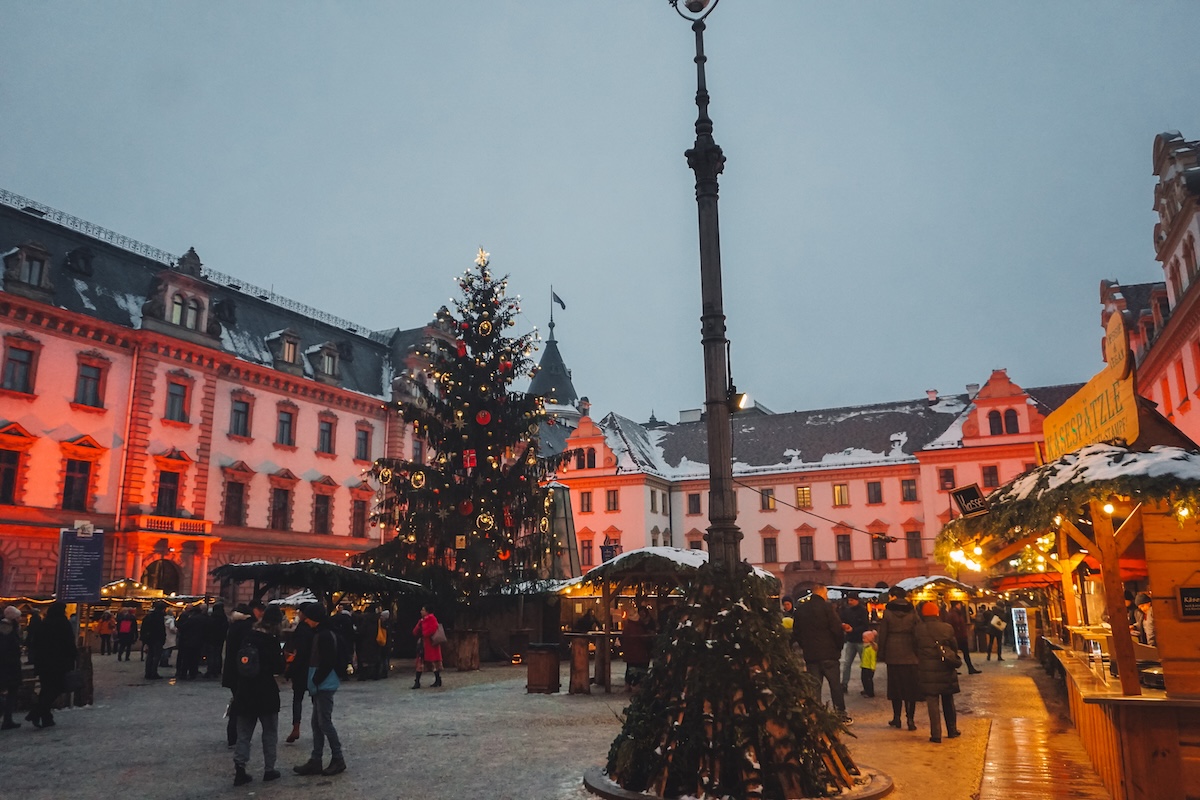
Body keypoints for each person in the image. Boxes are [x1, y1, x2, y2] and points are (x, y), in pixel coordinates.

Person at [231, 605, 286, 786]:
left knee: (244, 733)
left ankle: (240, 769)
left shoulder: (248, 637)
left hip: (245, 690)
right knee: (269, 732)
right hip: (266, 691)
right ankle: (269, 769)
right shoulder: (271, 641)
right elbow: (278, 667)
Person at [293, 603, 346, 777]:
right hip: (321, 682)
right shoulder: (323, 633)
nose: (305, 620)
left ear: (314, 618)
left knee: (324, 722)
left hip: (323, 683)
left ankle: (337, 758)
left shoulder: (324, 635)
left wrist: (316, 679)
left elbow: (327, 661)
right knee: (317, 723)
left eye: (308, 617)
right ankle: (316, 760)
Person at [791, 585, 850, 724]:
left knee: (815, 686)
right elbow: (836, 629)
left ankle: (815, 715)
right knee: (835, 686)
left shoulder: (801, 609)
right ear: (822, 593)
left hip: (811, 655)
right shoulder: (827, 608)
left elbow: (797, 632)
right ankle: (840, 714)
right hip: (829, 654)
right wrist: (838, 647)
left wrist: (805, 645)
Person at [914, 601, 961, 743]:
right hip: (945, 667)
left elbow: (914, 647)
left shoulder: (918, 629)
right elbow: (954, 646)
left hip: (927, 670)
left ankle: (936, 734)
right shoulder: (947, 628)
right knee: (948, 700)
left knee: (932, 702)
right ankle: (952, 730)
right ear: (937, 613)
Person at [876, 585, 921, 731]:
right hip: (910, 653)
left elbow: (883, 634)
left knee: (895, 688)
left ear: (894, 596)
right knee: (910, 689)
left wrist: (881, 652)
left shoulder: (888, 613)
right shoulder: (913, 611)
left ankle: (897, 718)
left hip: (893, 653)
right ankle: (911, 719)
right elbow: (918, 631)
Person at [29, 601, 76, 728]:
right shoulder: (63, 623)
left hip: (43, 662)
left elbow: (35, 642)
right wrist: (74, 656)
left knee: (46, 689)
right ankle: (37, 712)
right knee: (57, 687)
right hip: (58, 662)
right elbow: (69, 642)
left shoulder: (44, 623)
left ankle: (46, 718)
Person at [223, 603, 257, 747]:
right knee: (242, 704)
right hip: (243, 671)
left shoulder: (233, 626)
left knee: (237, 701)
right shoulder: (248, 628)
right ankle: (237, 736)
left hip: (231, 671)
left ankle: (232, 735)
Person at [284, 608, 316, 744]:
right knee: (316, 700)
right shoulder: (315, 629)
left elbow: (296, 652)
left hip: (300, 669)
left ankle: (296, 728)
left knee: (297, 699)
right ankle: (319, 727)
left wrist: (290, 670)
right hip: (314, 667)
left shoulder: (301, 630)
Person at [838, 592, 870, 695]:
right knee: (847, 663)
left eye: (852, 600)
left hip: (861, 640)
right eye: (849, 600)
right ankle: (844, 684)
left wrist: (853, 629)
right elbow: (842, 620)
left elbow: (865, 626)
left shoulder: (863, 611)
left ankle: (867, 685)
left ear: (857, 600)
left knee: (864, 664)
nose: (850, 602)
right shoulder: (847, 610)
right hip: (851, 640)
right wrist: (844, 625)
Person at [0, 606, 23, 729]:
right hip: (9, 666)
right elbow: (9, 649)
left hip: (6, 666)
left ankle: (8, 719)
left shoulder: (6, 628)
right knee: (11, 692)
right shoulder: (9, 630)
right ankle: (7, 719)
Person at [620, 605, 653, 690]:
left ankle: (628, 683)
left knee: (630, 667)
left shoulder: (628, 626)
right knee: (639, 667)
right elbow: (642, 638)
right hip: (638, 651)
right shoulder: (637, 626)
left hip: (630, 651)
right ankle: (636, 683)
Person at [412, 605, 443, 689]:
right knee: (420, 663)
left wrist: (424, 631)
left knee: (433, 663)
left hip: (430, 644)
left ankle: (437, 679)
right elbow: (415, 631)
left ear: (427, 611)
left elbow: (432, 629)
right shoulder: (422, 621)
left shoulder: (432, 619)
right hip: (423, 644)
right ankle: (417, 681)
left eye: (423, 610)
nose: (421, 611)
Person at [946, 600, 981, 674]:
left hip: (959, 636)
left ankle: (969, 668)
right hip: (959, 637)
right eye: (959, 604)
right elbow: (956, 624)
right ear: (956, 605)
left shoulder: (955, 613)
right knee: (957, 654)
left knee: (963, 653)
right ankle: (963, 669)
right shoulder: (954, 614)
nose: (960, 606)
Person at [140, 600, 168, 679]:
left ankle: (148, 672)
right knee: (156, 656)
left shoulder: (148, 616)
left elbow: (144, 628)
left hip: (149, 639)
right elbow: (160, 630)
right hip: (157, 639)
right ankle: (153, 673)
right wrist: (163, 638)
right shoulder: (159, 617)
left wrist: (144, 639)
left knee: (150, 656)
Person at [205, 601, 228, 679]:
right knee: (218, 654)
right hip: (220, 639)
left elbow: (208, 628)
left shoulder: (212, 617)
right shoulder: (224, 617)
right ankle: (217, 670)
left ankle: (210, 670)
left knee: (211, 655)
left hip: (211, 639)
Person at [859, 629, 877, 698]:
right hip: (865, 666)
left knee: (868, 680)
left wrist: (873, 667)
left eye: (864, 638)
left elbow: (873, 659)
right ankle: (866, 690)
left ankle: (870, 692)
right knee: (864, 679)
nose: (863, 640)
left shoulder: (871, 648)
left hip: (869, 667)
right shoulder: (866, 647)